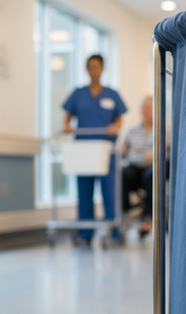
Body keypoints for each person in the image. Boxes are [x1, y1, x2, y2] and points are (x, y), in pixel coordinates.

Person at [62, 54, 127, 246]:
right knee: (84, 193)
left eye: (97, 67)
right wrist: (67, 126)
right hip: (83, 150)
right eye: (90, 67)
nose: (94, 71)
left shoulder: (111, 94)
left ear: (102, 69)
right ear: (87, 70)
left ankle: (113, 232)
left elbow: (119, 119)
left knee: (110, 192)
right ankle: (85, 234)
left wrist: (115, 126)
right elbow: (67, 117)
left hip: (106, 150)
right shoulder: (78, 93)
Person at [121, 96, 156, 236]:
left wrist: (154, 154)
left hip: (153, 167)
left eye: (150, 108)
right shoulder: (132, 131)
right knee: (122, 174)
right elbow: (125, 150)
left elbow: (168, 150)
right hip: (135, 166)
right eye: (144, 108)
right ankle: (124, 212)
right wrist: (122, 150)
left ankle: (148, 217)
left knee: (150, 176)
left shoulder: (163, 129)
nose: (146, 111)